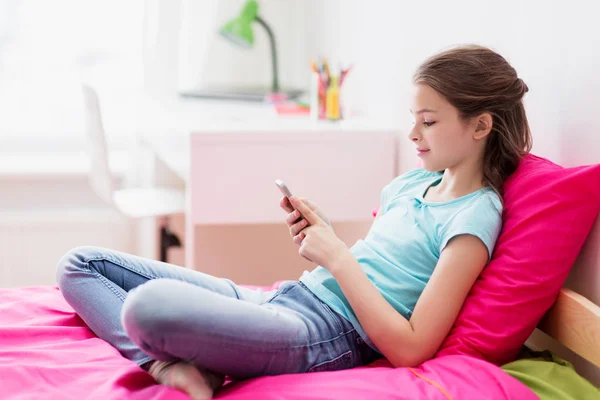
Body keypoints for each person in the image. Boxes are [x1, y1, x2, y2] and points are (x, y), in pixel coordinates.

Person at [56, 44, 532, 399]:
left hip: (324, 335)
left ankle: (174, 363)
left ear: (481, 125)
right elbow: (376, 269)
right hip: (289, 296)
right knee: (79, 264)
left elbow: (411, 348)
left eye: (428, 122)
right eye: (413, 119)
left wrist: (338, 257)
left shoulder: (473, 219)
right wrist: (326, 235)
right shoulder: (413, 184)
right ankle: (169, 367)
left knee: (148, 308)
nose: (413, 133)